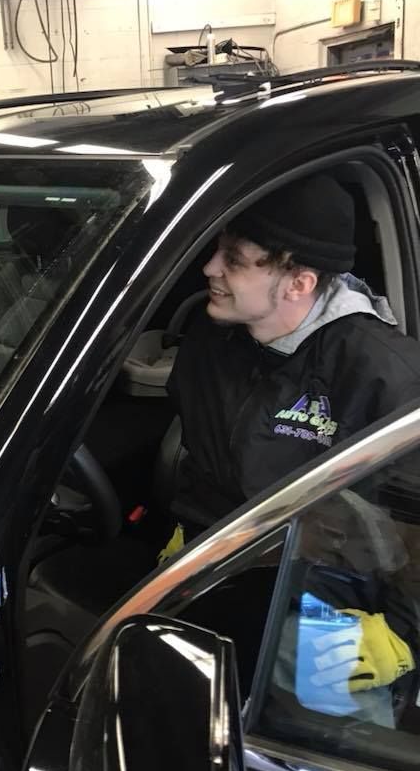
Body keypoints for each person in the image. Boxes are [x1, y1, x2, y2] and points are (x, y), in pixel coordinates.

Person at [160, 173, 420, 555]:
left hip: (315, 577)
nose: (210, 268)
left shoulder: (385, 374)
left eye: (233, 259)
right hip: (204, 551)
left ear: (298, 284)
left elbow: (407, 542)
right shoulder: (211, 335)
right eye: (218, 251)